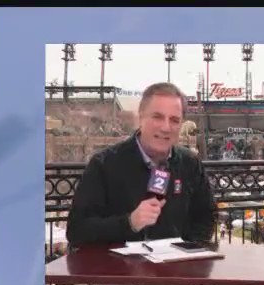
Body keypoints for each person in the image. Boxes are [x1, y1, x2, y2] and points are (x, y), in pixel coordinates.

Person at [67, 82, 217, 250]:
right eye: (157, 117)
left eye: (174, 120)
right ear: (141, 117)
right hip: (119, 271)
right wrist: (129, 223)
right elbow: (77, 231)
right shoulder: (104, 164)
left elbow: (206, 217)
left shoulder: (190, 164)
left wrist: (186, 250)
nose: (166, 127)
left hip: (175, 271)